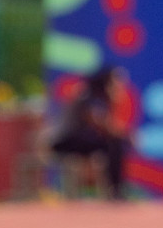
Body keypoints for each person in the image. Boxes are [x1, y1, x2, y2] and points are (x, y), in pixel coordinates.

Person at [51, 65, 131, 200]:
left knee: (116, 144)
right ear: (107, 82)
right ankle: (115, 191)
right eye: (116, 81)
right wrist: (125, 135)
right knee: (115, 143)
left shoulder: (97, 96)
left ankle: (115, 189)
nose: (120, 85)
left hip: (79, 139)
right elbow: (99, 122)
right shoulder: (91, 96)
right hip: (65, 141)